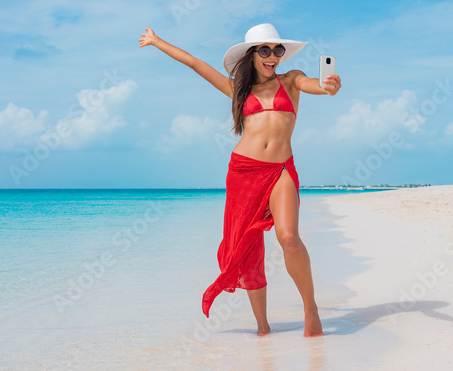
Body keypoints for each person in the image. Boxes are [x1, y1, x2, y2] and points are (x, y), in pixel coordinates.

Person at [138, 23, 341, 337]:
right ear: (252, 55)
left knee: (289, 238)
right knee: (247, 248)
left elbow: (315, 84)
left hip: (281, 170)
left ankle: (310, 308)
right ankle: (262, 327)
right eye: (265, 50)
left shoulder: (291, 80)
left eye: (278, 49)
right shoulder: (239, 90)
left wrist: (328, 86)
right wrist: (156, 41)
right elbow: (195, 63)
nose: (273, 56)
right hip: (244, 173)